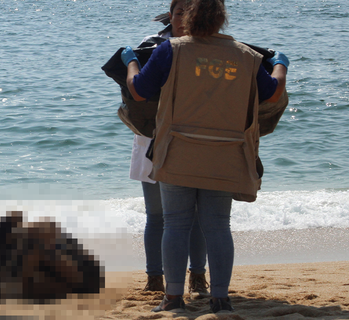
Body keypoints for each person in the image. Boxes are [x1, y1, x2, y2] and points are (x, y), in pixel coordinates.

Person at [122, 0, 288, 314]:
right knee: (217, 226)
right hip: (225, 154)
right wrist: (281, 64)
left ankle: (172, 297)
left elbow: (139, 91)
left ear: (190, 17)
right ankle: (221, 298)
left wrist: (131, 61)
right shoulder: (246, 56)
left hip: (178, 153)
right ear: (221, 19)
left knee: (175, 224)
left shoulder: (170, 50)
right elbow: (273, 93)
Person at [128, 0, 209, 298]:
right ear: (170, 14)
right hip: (151, 136)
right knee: (157, 214)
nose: (183, 19)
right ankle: (154, 278)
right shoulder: (150, 45)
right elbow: (133, 93)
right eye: (178, 13)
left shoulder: (211, 49)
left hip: (194, 137)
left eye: (190, 14)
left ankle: (197, 276)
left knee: (198, 213)